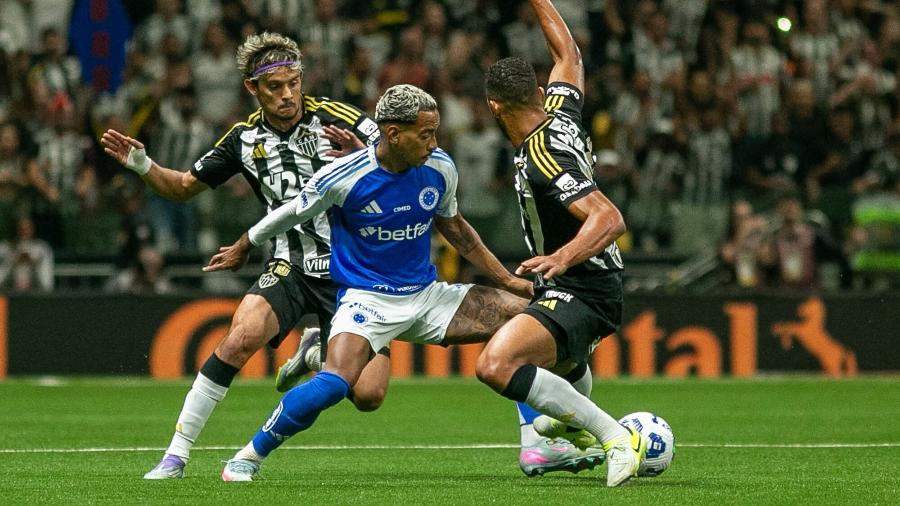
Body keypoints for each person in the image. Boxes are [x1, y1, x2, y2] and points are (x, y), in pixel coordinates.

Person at [204, 84, 564, 482]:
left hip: (427, 296)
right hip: (366, 301)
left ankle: (537, 443)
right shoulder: (343, 176)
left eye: (435, 133)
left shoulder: (440, 167)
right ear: (393, 134)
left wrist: (509, 282)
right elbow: (289, 214)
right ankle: (248, 456)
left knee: (531, 323)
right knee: (341, 388)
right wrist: (243, 245)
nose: (434, 143)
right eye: (425, 134)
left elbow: (457, 230)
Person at [100, 32, 391, 480]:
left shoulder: (342, 118)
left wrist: (371, 156)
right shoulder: (243, 139)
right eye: (275, 87)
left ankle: (317, 353)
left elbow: (400, 155)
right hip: (289, 264)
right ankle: (175, 456)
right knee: (238, 339)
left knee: (369, 396)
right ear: (252, 89)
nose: (288, 94)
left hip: (356, 271)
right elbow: (181, 188)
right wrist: (143, 165)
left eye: (294, 82)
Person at [476, 0, 646, 487]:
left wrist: (560, 257)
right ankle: (555, 429)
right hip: (588, 283)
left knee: (496, 363)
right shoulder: (560, 110)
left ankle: (614, 438)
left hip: (583, 285)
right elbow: (568, 51)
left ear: (494, 107)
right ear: (540, 91)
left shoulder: (542, 156)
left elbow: (609, 217)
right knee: (564, 374)